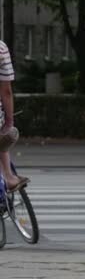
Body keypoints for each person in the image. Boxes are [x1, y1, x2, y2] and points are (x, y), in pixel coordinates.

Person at [0, 40, 28, 193]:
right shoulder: (1, 48)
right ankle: (9, 177)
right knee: (2, 135)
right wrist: (9, 121)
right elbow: (6, 91)